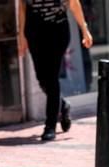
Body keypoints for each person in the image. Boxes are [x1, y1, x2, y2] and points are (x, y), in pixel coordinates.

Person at [18, 0, 93, 141]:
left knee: (52, 78)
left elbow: (74, 3)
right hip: (35, 28)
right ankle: (63, 105)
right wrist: (21, 35)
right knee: (42, 78)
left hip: (57, 28)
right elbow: (22, 6)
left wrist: (84, 29)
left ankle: (50, 126)